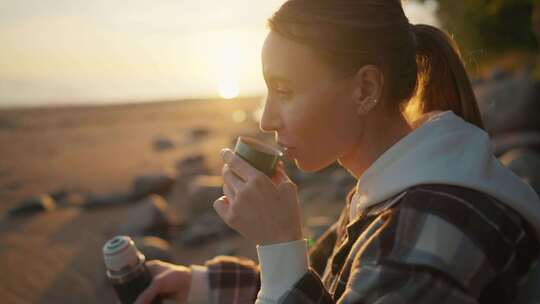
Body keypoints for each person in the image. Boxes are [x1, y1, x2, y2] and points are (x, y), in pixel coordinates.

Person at [135, 0, 540, 303]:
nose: (267, 120)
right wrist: (198, 284)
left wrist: (279, 240)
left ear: (365, 89)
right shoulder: (401, 181)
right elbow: (325, 279)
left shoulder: (430, 224)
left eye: (285, 91)